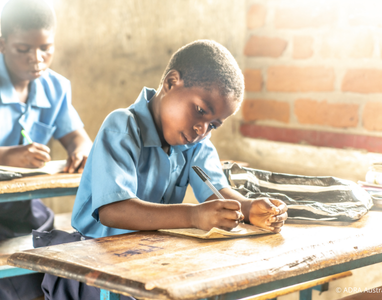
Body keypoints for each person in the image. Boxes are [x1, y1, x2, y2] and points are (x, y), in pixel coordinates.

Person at [38, 39, 288, 300]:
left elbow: (217, 192)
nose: (202, 130)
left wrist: (248, 209)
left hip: (148, 259)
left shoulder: (196, 144)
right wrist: (193, 216)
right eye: (200, 111)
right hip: (92, 265)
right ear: (170, 83)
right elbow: (114, 210)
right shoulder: (123, 127)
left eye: (213, 124)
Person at [0, 0, 92, 299]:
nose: (36, 59)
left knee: (67, 254)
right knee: (17, 279)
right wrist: (6, 156)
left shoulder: (55, 87)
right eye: (23, 49)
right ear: (2, 44)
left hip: (24, 209)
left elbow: (78, 137)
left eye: (45, 48)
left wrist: (80, 150)